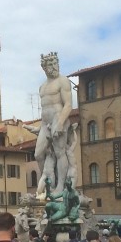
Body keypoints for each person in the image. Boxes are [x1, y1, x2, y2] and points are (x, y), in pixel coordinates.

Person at [33, 52, 75, 196]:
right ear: (44, 67)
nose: (54, 66)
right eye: (50, 64)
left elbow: (68, 105)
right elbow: (45, 108)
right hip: (45, 124)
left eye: (55, 63)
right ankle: (49, 179)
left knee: (59, 153)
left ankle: (60, 187)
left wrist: (60, 123)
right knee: (38, 154)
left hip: (59, 119)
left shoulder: (63, 81)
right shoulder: (42, 87)